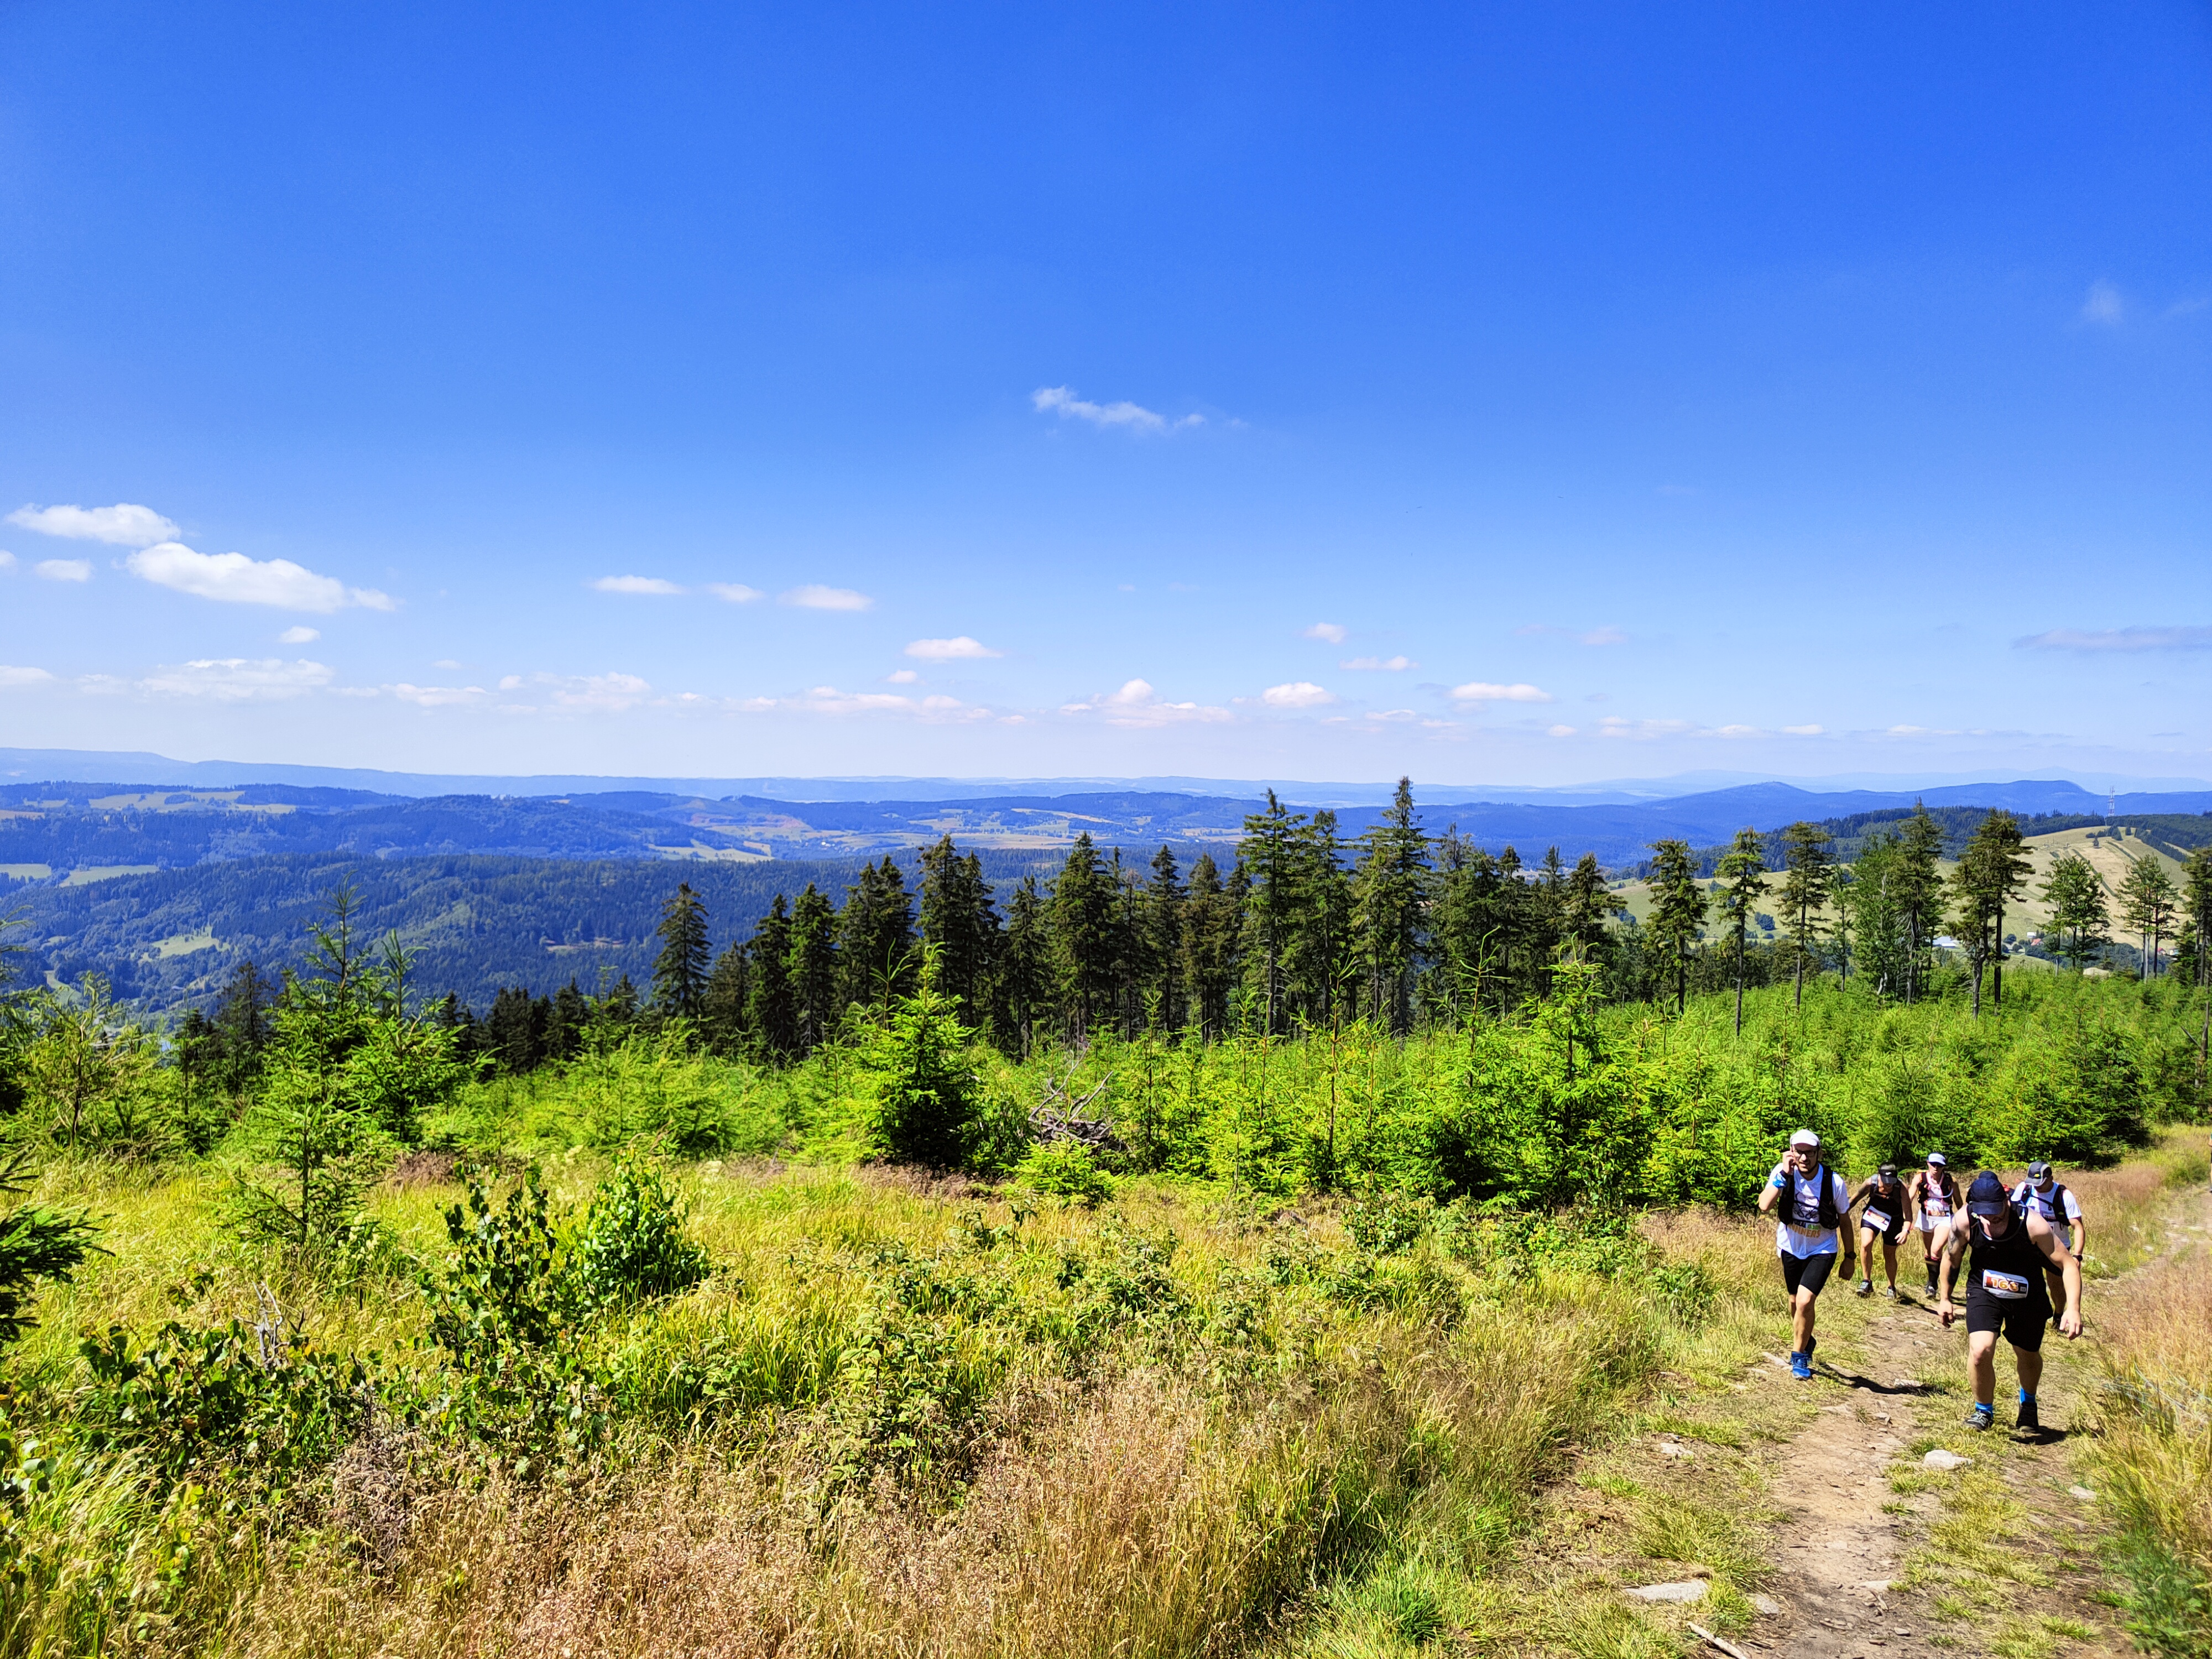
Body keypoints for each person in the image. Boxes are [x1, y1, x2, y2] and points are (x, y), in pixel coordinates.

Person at [1938, 1170, 2082, 1432]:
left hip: (2028, 1295)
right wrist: (1945, 1298)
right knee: (1980, 1351)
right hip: (1985, 1290)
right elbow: (1951, 1257)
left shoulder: (2031, 1223)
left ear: (2006, 1201)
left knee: (2027, 1354)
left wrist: (2072, 1309)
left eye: (1996, 1213)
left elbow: (2068, 1265)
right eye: (1985, 1215)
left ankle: (2028, 1403)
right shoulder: (1965, 1221)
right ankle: (1983, 1411)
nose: (1991, 1220)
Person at [1756, 1128, 1855, 1379]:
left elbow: (1845, 1220)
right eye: (1799, 1152)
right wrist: (1783, 1176)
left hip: (1822, 1248)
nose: (1804, 1158)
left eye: (1810, 1153)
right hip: (1790, 1246)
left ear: (1818, 1154)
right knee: (1794, 1303)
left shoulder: (1834, 1182)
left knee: (1804, 1301)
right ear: (1791, 1152)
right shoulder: (1782, 1174)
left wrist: (1850, 1258)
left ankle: (1799, 1358)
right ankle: (1807, 1340)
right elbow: (1764, 1205)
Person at [2010, 1161, 2086, 1315]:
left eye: (2040, 1183)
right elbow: (2012, 1213)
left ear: (2050, 1178)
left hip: (2056, 1247)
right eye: (2033, 1182)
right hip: (2029, 1245)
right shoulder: (2024, 1189)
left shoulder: (2064, 1196)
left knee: (2056, 1285)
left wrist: (2077, 1256)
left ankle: (2059, 1314)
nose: (2036, 1186)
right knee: (2022, 1280)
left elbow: (2078, 1227)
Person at [1848, 1163, 1910, 1298]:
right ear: (1880, 1176)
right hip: (1873, 1216)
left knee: (1889, 1254)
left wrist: (1905, 1231)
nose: (1889, 1185)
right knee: (1866, 1244)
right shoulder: (1871, 1183)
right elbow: (1854, 1199)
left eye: (1892, 1181)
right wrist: (1841, 1215)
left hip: (1894, 1220)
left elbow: (1908, 1215)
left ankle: (1891, 1287)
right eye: (1886, 1181)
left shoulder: (1901, 1188)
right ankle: (1866, 1282)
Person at [1908, 1151, 1959, 1298]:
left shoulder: (1950, 1181)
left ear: (1944, 1167)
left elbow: (1959, 1203)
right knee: (1929, 1252)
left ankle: (1931, 1283)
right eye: (1933, 1164)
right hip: (1926, 1217)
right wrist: (1906, 1218)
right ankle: (1933, 1282)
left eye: (1940, 1165)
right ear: (1928, 1164)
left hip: (1945, 1219)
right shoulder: (1920, 1178)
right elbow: (1910, 1197)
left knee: (1936, 1250)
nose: (1936, 1168)